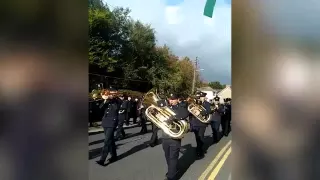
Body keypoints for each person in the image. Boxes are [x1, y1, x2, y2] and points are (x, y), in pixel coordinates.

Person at [161, 93, 189, 180]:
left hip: (175, 136)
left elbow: (185, 114)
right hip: (165, 136)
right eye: (170, 99)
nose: (171, 101)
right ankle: (172, 170)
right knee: (167, 156)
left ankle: (171, 176)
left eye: (173, 99)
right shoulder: (165, 108)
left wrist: (173, 118)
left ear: (177, 99)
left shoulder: (181, 108)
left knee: (173, 157)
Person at [96, 87, 119, 166]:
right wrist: (105, 100)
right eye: (108, 93)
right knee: (111, 140)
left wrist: (111, 99)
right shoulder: (106, 101)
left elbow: (116, 108)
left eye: (110, 92)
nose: (109, 94)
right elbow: (100, 108)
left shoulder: (117, 100)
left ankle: (102, 159)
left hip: (112, 122)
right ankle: (114, 156)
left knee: (107, 141)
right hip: (105, 122)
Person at [190, 91, 211, 159]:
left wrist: (200, 112)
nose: (200, 98)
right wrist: (193, 110)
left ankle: (199, 150)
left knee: (200, 136)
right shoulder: (194, 103)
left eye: (202, 97)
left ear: (204, 97)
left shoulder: (207, 103)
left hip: (202, 123)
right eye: (199, 97)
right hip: (195, 123)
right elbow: (190, 111)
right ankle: (199, 148)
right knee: (197, 137)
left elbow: (208, 111)